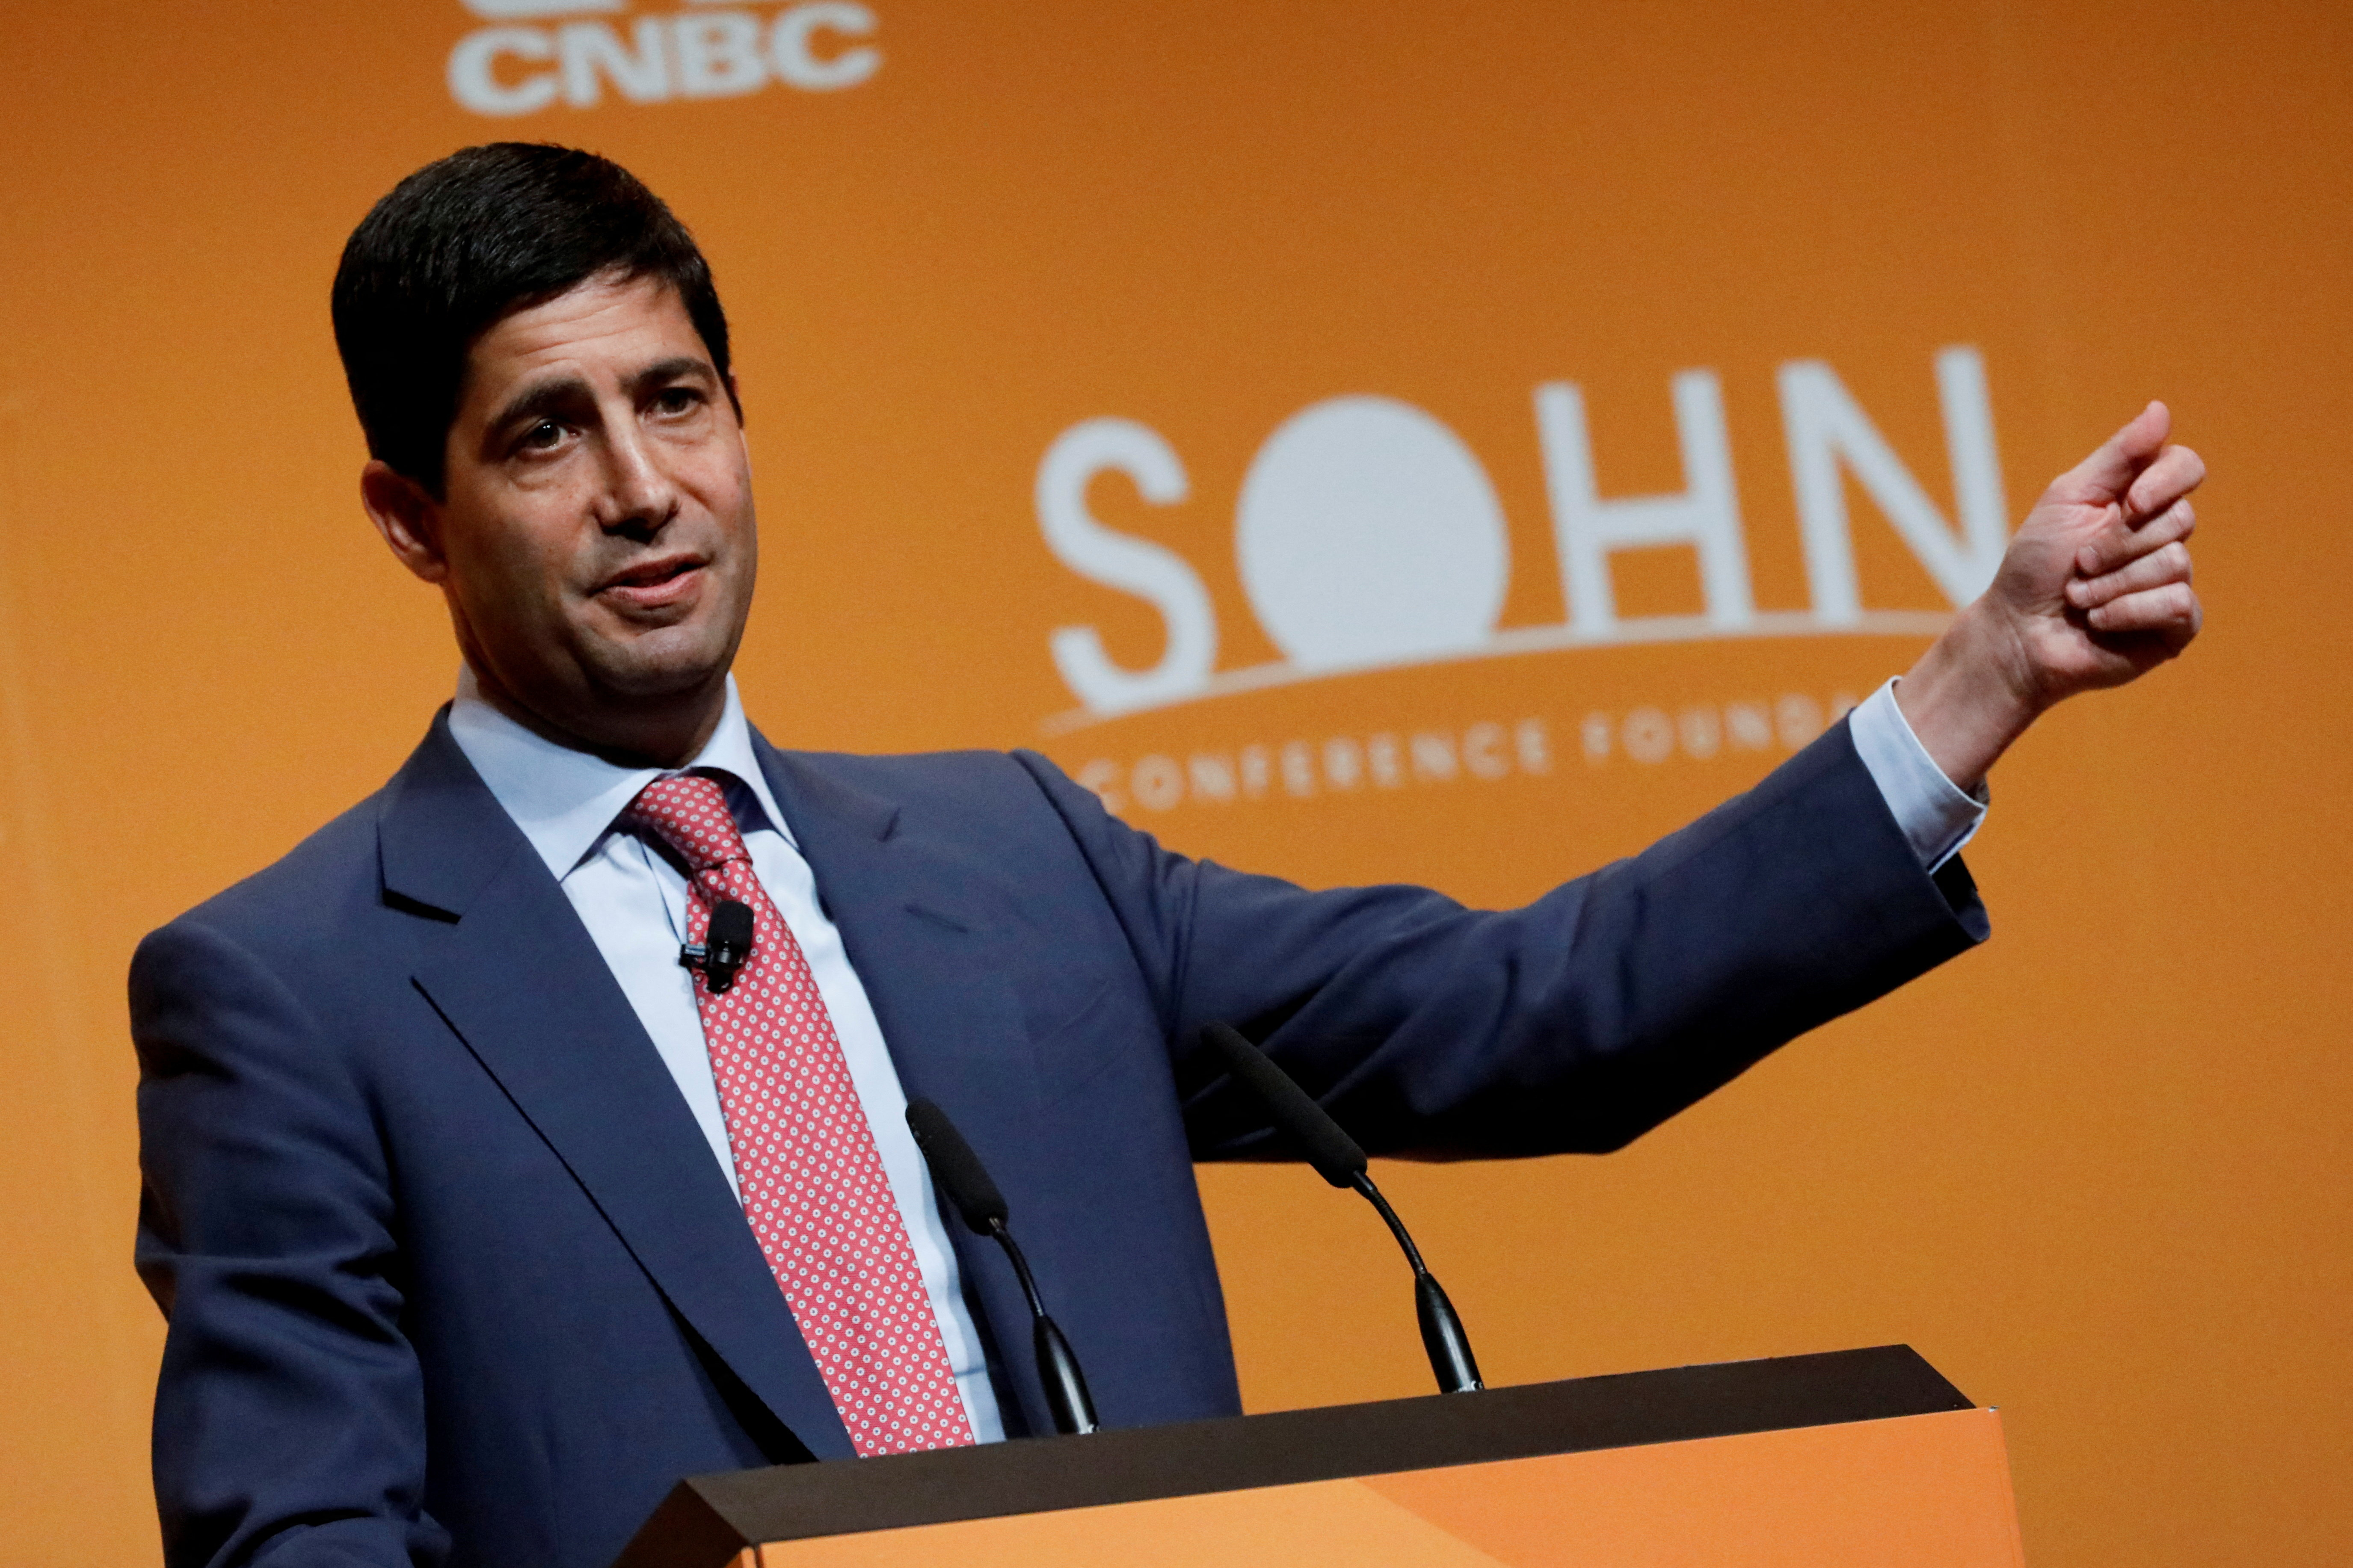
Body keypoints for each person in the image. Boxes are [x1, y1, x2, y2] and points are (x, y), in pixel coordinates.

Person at [130, 143, 2203, 1568]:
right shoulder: (291, 989)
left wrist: (1972, 683)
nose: (645, 490)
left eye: (678, 399)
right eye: (545, 431)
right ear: (413, 516)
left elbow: (1527, 1016)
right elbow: (298, 1535)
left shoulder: (1015, 858)